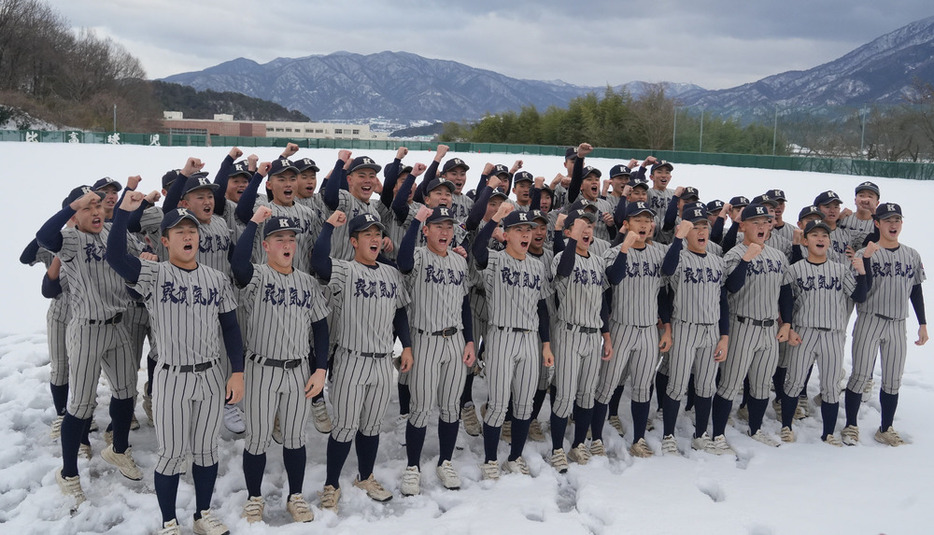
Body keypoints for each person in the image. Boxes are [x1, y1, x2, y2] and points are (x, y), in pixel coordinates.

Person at [107, 191, 245, 535]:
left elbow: (230, 327)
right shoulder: (154, 274)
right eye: (180, 232)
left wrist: (238, 372)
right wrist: (124, 211)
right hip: (172, 377)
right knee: (171, 455)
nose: (188, 236)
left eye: (193, 230)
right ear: (164, 240)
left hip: (211, 375)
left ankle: (202, 514)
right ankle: (169, 521)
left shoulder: (216, 279)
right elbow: (114, 256)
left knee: (206, 452)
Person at [36, 186, 139, 507]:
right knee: (80, 406)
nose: (96, 211)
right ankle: (68, 474)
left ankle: (118, 450)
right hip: (86, 330)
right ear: (74, 214)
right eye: (86, 207)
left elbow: (137, 257)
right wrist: (70, 208)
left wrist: (145, 256)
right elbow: (43, 235)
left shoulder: (113, 231)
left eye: (98, 204)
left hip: (118, 326)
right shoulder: (69, 240)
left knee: (126, 392)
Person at [231, 207, 330, 524]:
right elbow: (237, 264)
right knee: (257, 439)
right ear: (267, 245)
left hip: (299, 370)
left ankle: (296, 496)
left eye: (291, 238)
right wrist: (256, 223)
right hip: (261, 368)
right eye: (279, 238)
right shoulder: (257, 276)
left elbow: (321, 327)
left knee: (295, 438)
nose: (287, 243)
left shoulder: (306, 283)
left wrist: (320, 368)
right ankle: (254, 499)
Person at [311, 211, 413, 512]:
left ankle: (365, 477)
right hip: (350, 359)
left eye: (377, 234)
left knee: (371, 426)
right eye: (367, 234)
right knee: (344, 427)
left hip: (382, 361)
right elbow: (318, 263)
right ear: (354, 241)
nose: (374, 239)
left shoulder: (391, 273)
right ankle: (331, 484)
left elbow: (400, 313)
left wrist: (406, 345)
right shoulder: (344, 270)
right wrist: (329, 227)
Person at [396, 206, 474, 495]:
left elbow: (465, 304)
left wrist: (469, 340)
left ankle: (445, 461)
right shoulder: (416, 256)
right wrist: (416, 221)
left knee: (451, 406)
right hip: (425, 339)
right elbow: (402, 262)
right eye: (437, 226)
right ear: (426, 230)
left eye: (449, 227)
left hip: (455, 340)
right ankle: (413, 466)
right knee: (420, 408)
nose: (444, 232)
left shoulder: (459, 262)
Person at [472, 204, 554, 479]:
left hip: (530, 339)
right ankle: (490, 460)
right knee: (498, 404)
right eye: (519, 229)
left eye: (528, 230)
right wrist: (494, 218)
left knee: (524, 404)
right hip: (501, 336)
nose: (525, 234)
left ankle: (515, 456)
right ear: (506, 234)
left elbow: (542, 307)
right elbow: (477, 250)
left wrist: (546, 344)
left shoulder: (537, 265)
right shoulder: (495, 260)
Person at [842, 202, 927, 446]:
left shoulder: (911, 254)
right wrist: (866, 261)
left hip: (898, 324)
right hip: (870, 319)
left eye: (897, 219)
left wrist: (922, 323)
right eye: (887, 220)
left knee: (893, 379)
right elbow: (860, 293)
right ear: (876, 223)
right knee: (859, 376)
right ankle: (851, 425)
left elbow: (916, 290)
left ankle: (886, 427)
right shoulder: (863, 253)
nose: (893, 224)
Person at [779, 220, 871, 445]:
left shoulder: (840, 270)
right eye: (814, 235)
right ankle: (786, 426)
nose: (820, 238)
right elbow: (785, 302)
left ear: (829, 241)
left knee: (830, 386)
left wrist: (861, 274)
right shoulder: (794, 269)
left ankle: (828, 432)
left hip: (833, 334)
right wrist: (789, 328)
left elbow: (859, 296)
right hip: (804, 332)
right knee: (794, 382)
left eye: (824, 235)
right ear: (805, 240)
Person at [593, 202, 670, 457]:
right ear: (626, 224)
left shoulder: (659, 253)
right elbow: (611, 281)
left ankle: (638, 439)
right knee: (606, 385)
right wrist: (624, 249)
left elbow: (664, 291)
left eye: (648, 220)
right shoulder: (613, 252)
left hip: (648, 329)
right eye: (638, 220)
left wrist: (666, 327)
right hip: (621, 327)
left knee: (642, 387)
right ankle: (595, 437)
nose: (644, 225)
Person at [711, 204, 792, 450]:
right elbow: (730, 288)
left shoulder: (778, 256)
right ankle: (717, 435)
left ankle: (755, 429)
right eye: (755, 222)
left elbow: (786, 292)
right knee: (730, 384)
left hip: (768, 328)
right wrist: (747, 259)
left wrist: (786, 322)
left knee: (760, 384)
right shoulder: (734, 255)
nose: (761, 227)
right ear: (743, 225)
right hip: (741, 325)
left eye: (766, 222)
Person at [658, 205, 732, 455]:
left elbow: (722, 301)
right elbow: (666, 271)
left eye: (704, 226)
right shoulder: (678, 257)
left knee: (705, 386)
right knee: (677, 385)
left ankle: (701, 434)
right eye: (695, 227)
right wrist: (678, 237)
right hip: (684, 327)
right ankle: (668, 435)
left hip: (710, 330)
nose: (701, 231)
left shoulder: (717, 261)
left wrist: (724, 336)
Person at [547, 209, 611, 471]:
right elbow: (563, 271)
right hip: (568, 333)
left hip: (592, 334)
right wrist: (571, 239)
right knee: (564, 395)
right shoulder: (561, 256)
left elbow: (603, 303)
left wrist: (606, 337)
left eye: (590, 227)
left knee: (586, 395)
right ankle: (557, 449)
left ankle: (577, 445)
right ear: (569, 232)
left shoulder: (597, 261)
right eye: (580, 226)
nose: (587, 231)